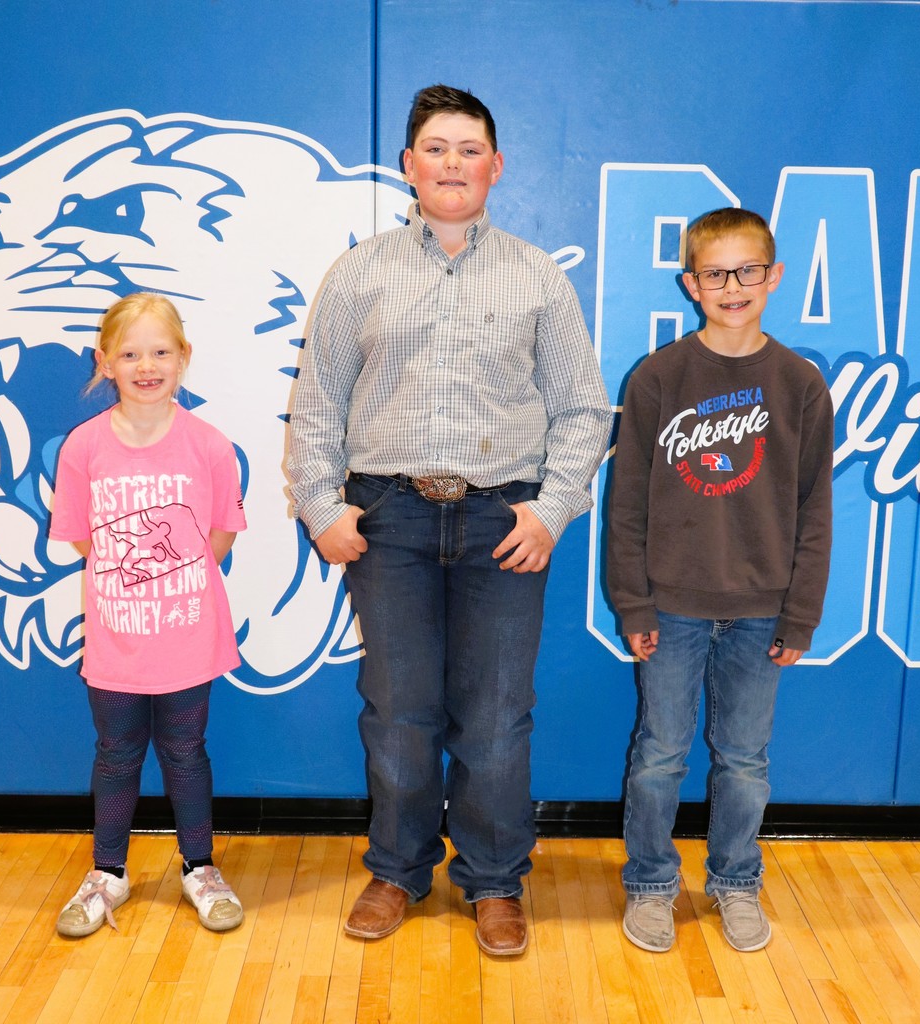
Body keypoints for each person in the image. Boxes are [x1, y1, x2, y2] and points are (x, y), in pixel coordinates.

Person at [288, 84, 611, 956]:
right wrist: (323, 508)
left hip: (502, 525)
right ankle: (396, 869)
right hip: (386, 520)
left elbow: (584, 411)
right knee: (396, 710)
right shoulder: (359, 273)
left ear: (496, 167)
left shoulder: (537, 276)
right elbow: (317, 403)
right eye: (435, 148)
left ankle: (495, 881)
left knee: (498, 716)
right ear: (407, 166)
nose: (452, 163)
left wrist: (551, 511)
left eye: (469, 149)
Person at [606, 208, 833, 953]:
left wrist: (799, 615)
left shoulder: (798, 384)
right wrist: (632, 600)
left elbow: (813, 509)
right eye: (715, 273)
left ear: (772, 277)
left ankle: (735, 881)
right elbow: (627, 503)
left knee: (743, 762)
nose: (731, 286)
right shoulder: (659, 377)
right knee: (660, 756)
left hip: (761, 612)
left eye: (747, 271)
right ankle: (649, 884)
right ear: (690, 283)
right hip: (669, 606)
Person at [50, 292, 246, 937]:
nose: (146, 365)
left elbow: (219, 534)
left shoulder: (210, 446)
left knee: (186, 751)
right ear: (105, 362)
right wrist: (133, 577)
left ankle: (200, 867)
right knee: (116, 753)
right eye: (130, 353)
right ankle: (109, 872)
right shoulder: (83, 447)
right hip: (117, 642)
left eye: (161, 352)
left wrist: (173, 577)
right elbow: (85, 539)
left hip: (188, 636)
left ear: (183, 358)